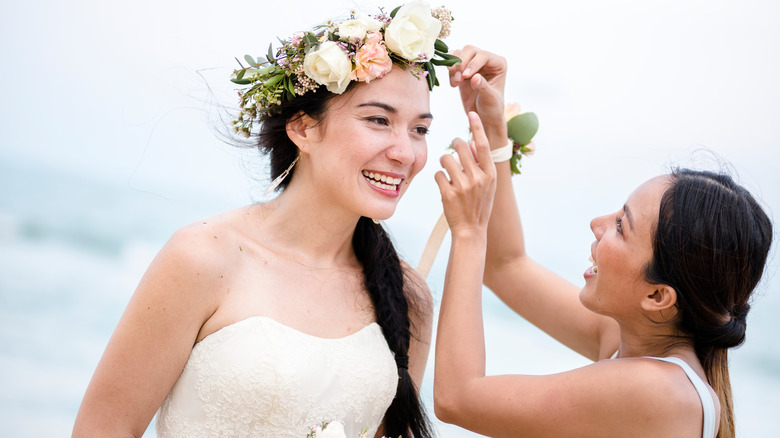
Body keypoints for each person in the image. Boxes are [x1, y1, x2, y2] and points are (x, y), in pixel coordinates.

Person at [72, 2, 459, 437]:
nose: (405, 153)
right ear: (303, 129)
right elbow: (103, 429)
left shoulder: (407, 295)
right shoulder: (203, 258)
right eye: (378, 120)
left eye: (419, 129)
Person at [432, 47, 773, 438]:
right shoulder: (631, 344)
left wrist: (468, 231)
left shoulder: (657, 390)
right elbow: (506, 266)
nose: (597, 223)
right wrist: (493, 132)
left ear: (659, 296)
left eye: (621, 227)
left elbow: (456, 398)